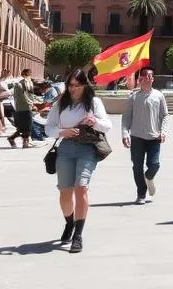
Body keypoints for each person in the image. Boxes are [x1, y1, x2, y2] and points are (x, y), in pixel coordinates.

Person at [46, 69, 112, 253]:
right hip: (66, 148)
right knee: (65, 192)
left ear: (84, 85)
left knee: (81, 187)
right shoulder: (60, 103)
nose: (72, 89)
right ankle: (69, 222)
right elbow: (48, 128)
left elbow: (107, 125)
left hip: (87, 148)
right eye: (70, 85)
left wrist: (95, 122)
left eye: (76, 85)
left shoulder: (94, 102)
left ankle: (78, 235)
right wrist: (62, 132)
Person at [121, 66, 169, 204]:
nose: (147, 78)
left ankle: (149, 177)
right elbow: (126, 117)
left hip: (154, 137)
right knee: (137, 166)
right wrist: (125, 134)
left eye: (150, 76)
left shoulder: (159, 96)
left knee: (154, 165)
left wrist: (163, 132)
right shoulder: (134, 97)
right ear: (140, 79)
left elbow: (165, 115)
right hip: (137, 137)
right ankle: (141, 193)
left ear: (153, 79)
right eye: (144, 76)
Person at [8, 68, 37, 148]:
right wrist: (31, 104)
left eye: (28, 74)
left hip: (24, 107)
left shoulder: (28, 83)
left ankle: (25, 143)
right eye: (26, 74)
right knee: (25, 127)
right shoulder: (21, 84)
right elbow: (23, 97)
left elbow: (30, 95)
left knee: (26, 127)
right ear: (23, 75)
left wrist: (32, 103)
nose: (27, 76)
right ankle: (13, 139)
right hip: (23, 107)